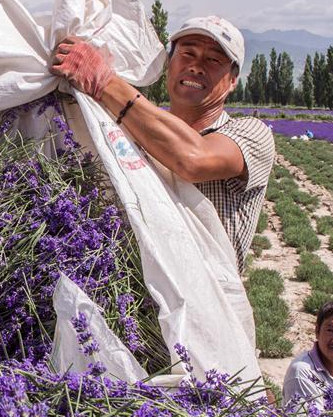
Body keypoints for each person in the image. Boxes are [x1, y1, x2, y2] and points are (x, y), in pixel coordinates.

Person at [50, 15, 275, 271]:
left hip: (208, 302)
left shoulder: (252, 133)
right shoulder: (135, 128)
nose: (196, 66)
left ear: (233, 79)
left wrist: (105, 83)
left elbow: (192, 159)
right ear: (170, 63)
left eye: (213, 59)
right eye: (187, 53)